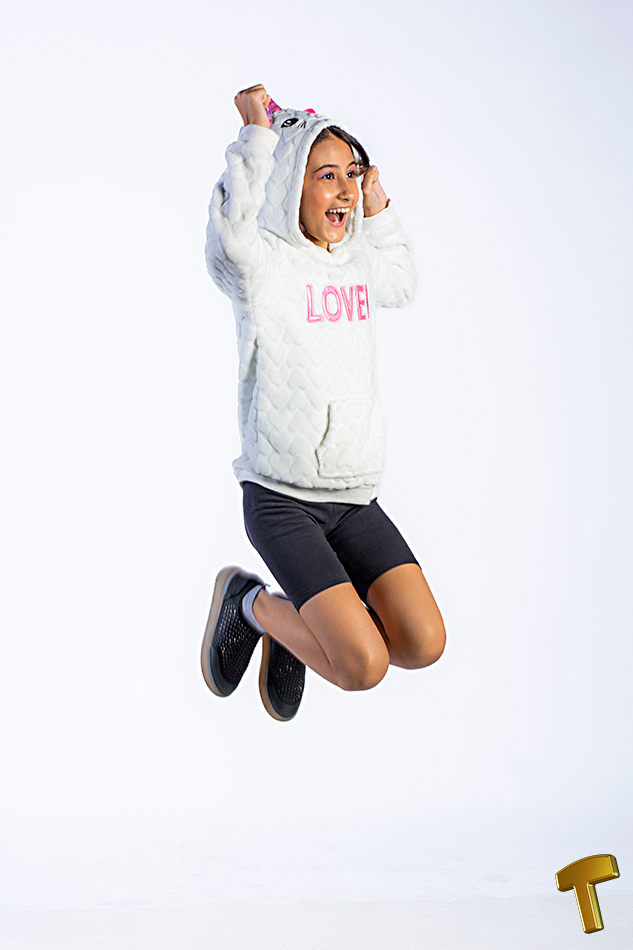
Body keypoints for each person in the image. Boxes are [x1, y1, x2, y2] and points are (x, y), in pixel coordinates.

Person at [201, 84, 445, 722]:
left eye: (351, 175)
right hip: (282, 500)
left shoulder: (357, 260)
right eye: (327, 176)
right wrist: (257, 136)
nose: (344, 191)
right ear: (291, 185)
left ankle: (300, 626)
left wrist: (378, 203)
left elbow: (403, 280)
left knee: (422, 643)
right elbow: (228, 240)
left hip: (354, 498)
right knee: (361, 666)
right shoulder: (263, 264)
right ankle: (252, 605)